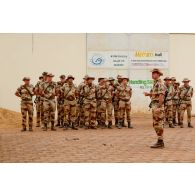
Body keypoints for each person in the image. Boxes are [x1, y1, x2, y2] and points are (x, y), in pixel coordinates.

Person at [144, 69, 166, 148]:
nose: (152, 74)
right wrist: (149, 94)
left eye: (154, 73)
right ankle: (160, 141)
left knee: (158, 124)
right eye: (152, 73)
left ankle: (160, 142)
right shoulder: (155, 83)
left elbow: (161, 96)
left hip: (157, 105)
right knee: (156, 124)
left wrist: (159, 107)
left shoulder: (160, 83)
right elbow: (156, 93)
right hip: (155, 105)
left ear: (158, 74)